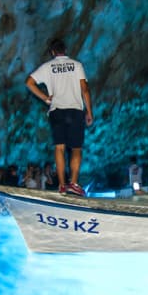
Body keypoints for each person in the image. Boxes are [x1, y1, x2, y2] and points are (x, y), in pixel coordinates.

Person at [26, 38, 93, 196]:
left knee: (59, 147)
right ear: (66, 50)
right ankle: (73, 183)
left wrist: (45, 98)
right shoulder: (76, 65)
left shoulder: (47, 67)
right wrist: (89, 111)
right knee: (76, 148)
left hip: (57, 111)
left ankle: (62, 185)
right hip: (75, 110)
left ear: (52, 52)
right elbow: (85, 89)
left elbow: (29, 82)